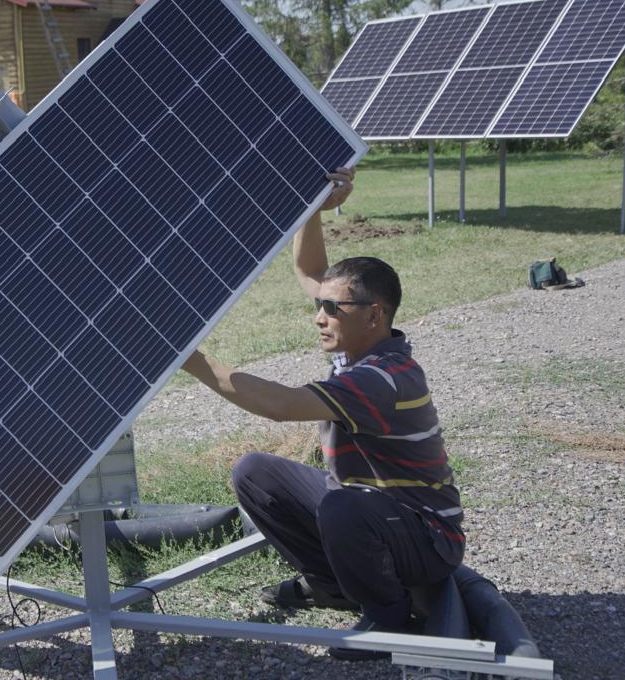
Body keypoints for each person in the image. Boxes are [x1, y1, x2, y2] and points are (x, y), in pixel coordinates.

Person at [182, 167, 465, 662]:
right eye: (320, 306)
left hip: (427, 537)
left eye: (332, 310)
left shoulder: (381, 378)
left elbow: (280, 405)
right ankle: (334, 585)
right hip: (373, 510)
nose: (319, 316)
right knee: (256, 473)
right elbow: (311, 271)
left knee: (341, 505)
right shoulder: (357, 351)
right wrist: (315, 206)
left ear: (374, 314)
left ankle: (388, 616)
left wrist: (187, 355)